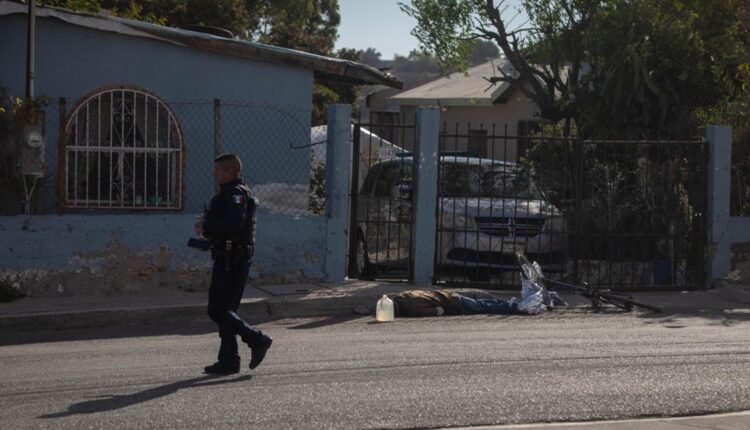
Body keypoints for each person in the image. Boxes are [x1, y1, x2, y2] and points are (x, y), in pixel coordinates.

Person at [195, 153, 273, 374]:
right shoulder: (232, 193)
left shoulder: (234, 195)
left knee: (217, 310)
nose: (214, 173)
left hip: (233, 259)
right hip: (230, 257)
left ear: (229, 171)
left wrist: (206, 229)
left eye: (218, 170)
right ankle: (229, 359)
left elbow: (232, 227)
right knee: (227, 311)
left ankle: (257, 339)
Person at [388, 289, 555, 317]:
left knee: (485, 307)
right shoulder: (405, 295)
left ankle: (518, 307)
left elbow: (439, 311)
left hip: (455, 304)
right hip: (453, 295)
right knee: (486, 302)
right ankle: (514, 303)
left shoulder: (413, 308)